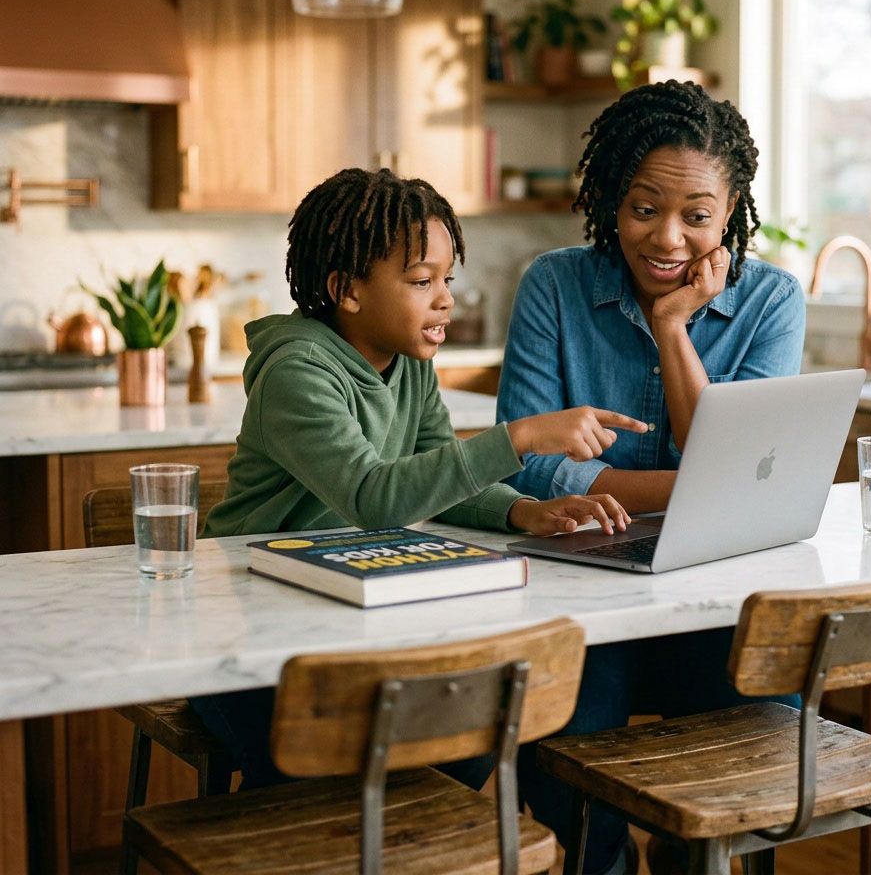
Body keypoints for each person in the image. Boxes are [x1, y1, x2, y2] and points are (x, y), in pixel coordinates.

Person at [193, 166, 646, 788]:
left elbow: (441, 479)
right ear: (347, 289)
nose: (445, 299)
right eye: (420, 281)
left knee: (470, 725)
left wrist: (521, 511)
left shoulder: (407, 366)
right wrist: (518, 438)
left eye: (446, 279)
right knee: (334, 775)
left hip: (343, 610)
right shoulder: (297, 373)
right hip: (248, 638)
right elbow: (373, 497)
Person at [497, 79, 806, 875]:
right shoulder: (554, 287)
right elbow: (528, 468)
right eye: (644, 207)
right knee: (558, 756)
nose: (668, 238)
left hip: (716, 606)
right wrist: (708, 487)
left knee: (748, 763)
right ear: (609, 197)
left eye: (697, 217)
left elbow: (739, 478)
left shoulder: (771, 301)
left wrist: (673, 329)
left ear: (730, 212)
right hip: (578, 603)